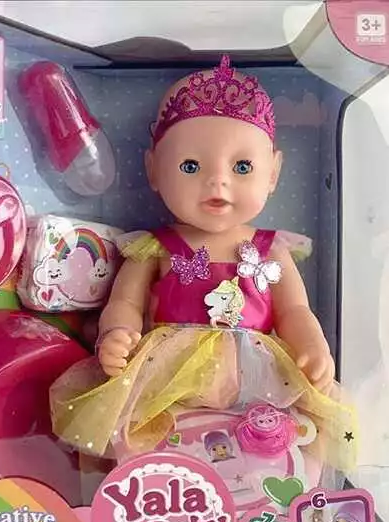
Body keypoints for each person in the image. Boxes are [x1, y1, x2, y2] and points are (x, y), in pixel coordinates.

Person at [49, 55, 357, 477]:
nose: (218, 181)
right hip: (168, 369)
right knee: (142, 429)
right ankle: (154, 492)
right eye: (190, 167)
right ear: (154, 169)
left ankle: (289, 497)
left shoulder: (272, 248)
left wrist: (313, 346)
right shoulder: (153, 247)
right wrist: (117, 332)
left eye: (242, 167)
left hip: (257, 370)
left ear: (273, 173)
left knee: (295, 429)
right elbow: (125, 303)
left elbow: (294, 311)